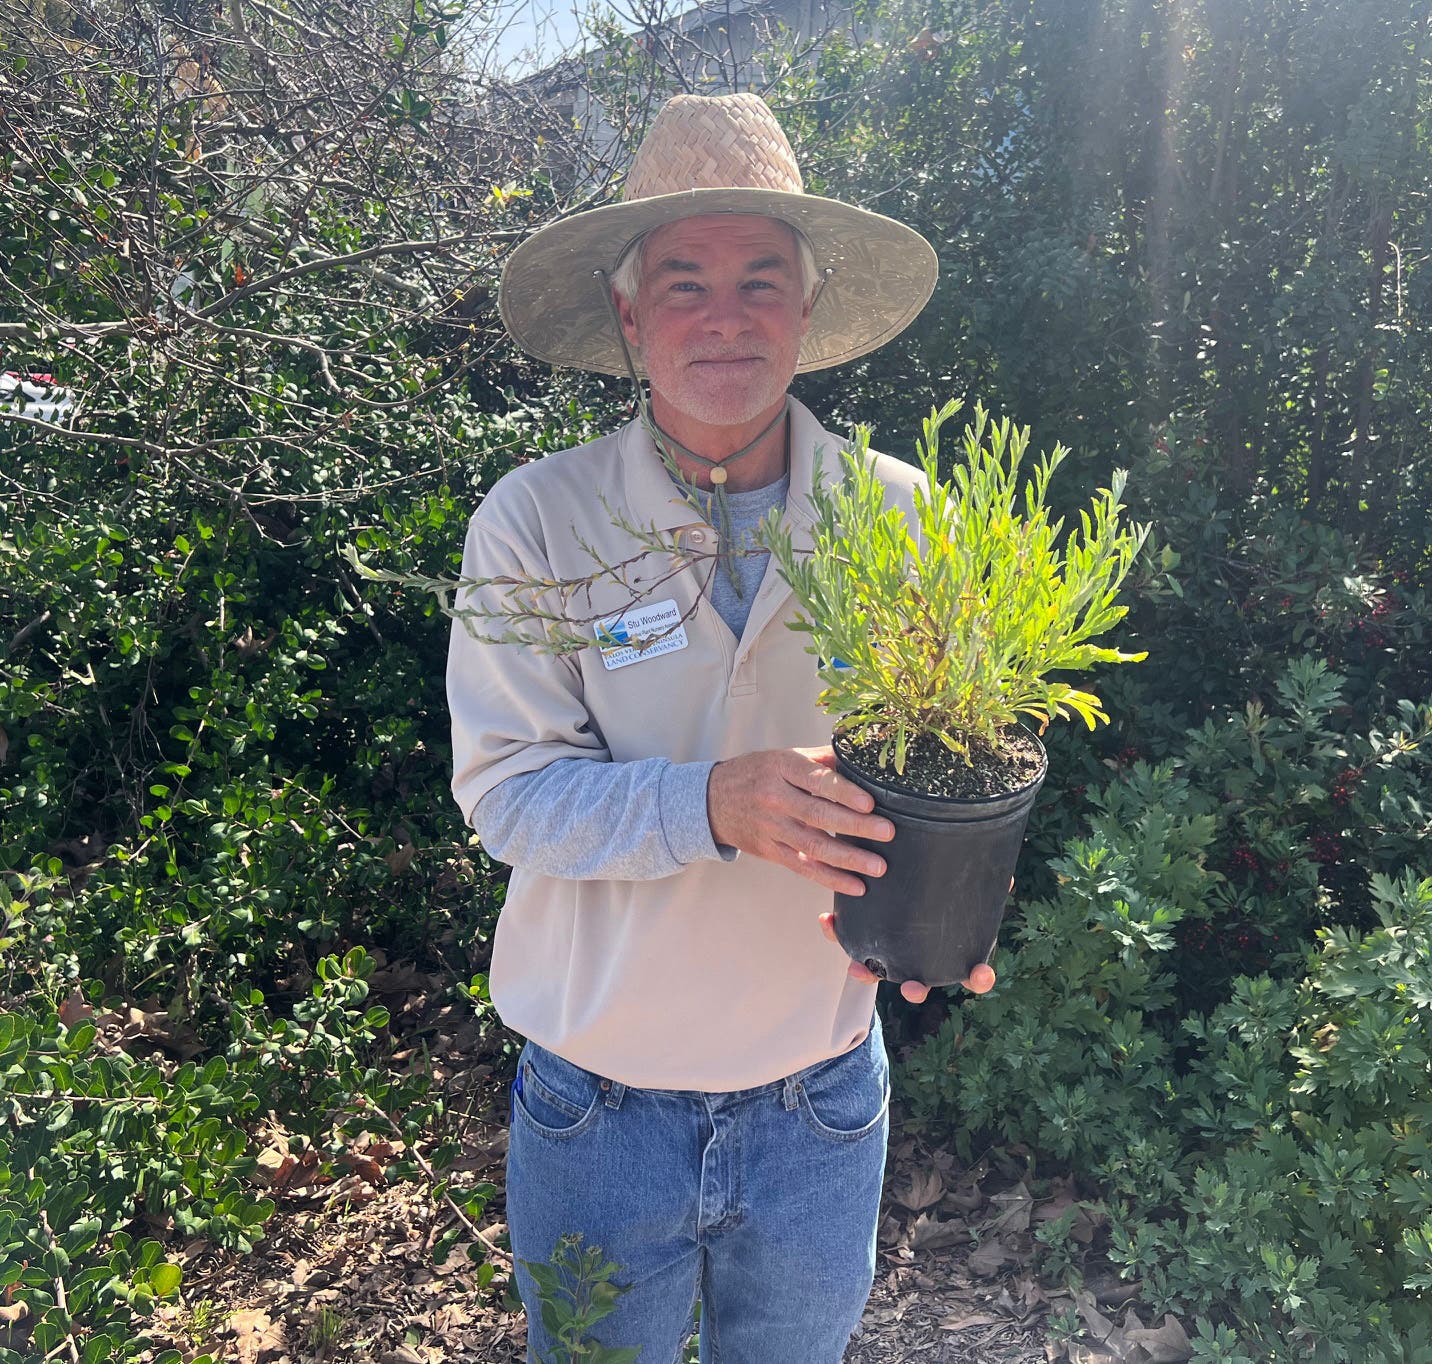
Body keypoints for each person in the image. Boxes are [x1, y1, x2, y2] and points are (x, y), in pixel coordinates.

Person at [446, 92, 995, 1363]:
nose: (724, 312)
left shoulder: (907, 515)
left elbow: (951, 765)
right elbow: (509, 795)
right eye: (682, 280)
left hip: (818, 1099)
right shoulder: (535, 520)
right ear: (632, 317)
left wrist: (943, 908)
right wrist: (713, 801)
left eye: (761, 278)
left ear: (806, 309)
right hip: (595, 1106)